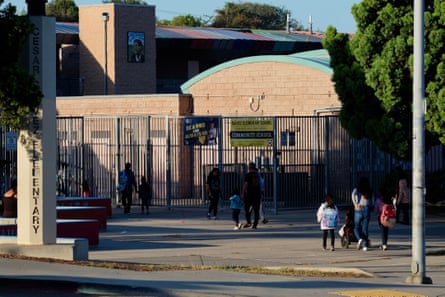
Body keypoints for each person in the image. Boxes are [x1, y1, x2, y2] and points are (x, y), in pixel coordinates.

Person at [351, 177, 372, 251]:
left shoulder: (357, 189)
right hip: (366, 208)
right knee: (365, 228)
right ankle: (365, 246)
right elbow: (372, 199)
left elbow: (353, 195)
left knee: (356, 227)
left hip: (358, 208)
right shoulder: (369, 190)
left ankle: (359, 239)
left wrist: (355, 204)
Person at [242, 162, 261, 229]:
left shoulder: (248, 175)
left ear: (249, 168)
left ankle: (249, 222)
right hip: (257, 194)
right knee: (256, 210)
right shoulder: (258, 175)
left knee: (247, 209)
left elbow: (245, 185)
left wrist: (243, 193)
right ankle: (255, 224)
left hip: (249, 194)